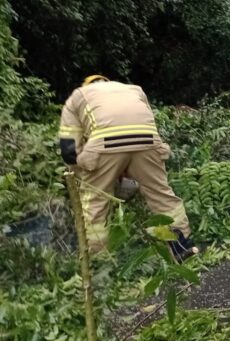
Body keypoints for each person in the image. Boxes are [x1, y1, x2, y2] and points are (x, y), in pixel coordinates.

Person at [58, 75, 197, 260]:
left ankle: (98, 259)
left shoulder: (78, 96)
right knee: (162, 195)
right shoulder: (134, 89)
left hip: (105, 142)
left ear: (87, 85)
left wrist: (84, 174)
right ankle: (182, 248)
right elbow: (144, 124)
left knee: (95, 201)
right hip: (147, 140)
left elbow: (69, 150)